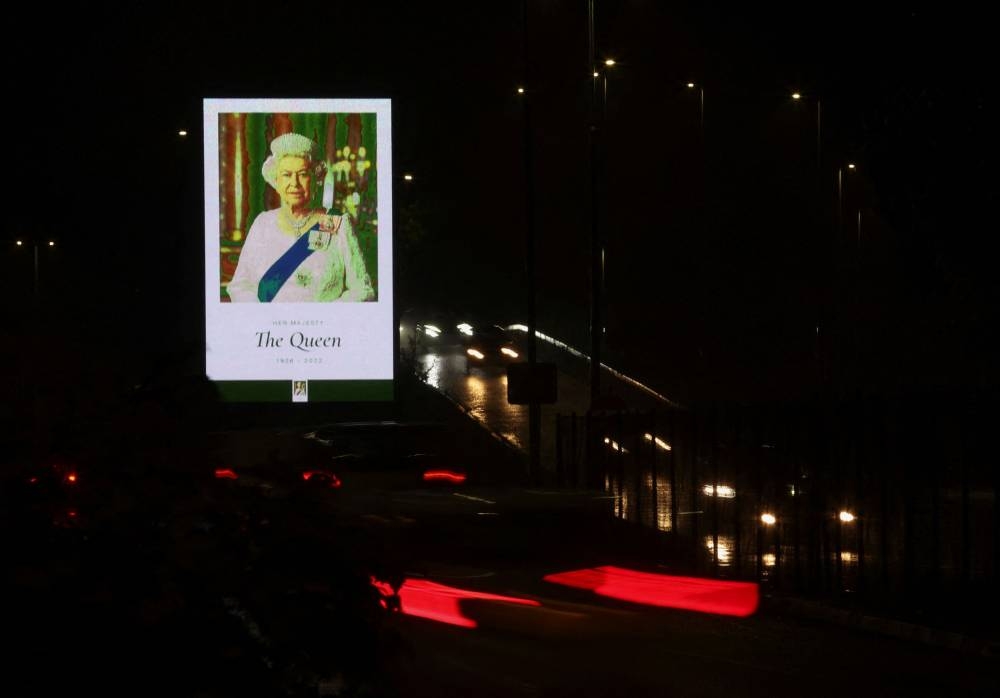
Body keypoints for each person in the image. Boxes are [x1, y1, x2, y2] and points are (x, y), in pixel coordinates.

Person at [227, 132, 375, 302]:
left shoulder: (338, 224)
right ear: (276, 181)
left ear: (316, 178)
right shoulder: (262, 224)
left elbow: (362, 290)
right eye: (286, 175)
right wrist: (264, 317)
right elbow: (240, 285)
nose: (294, 183)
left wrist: (322, 318)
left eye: (303, 174)